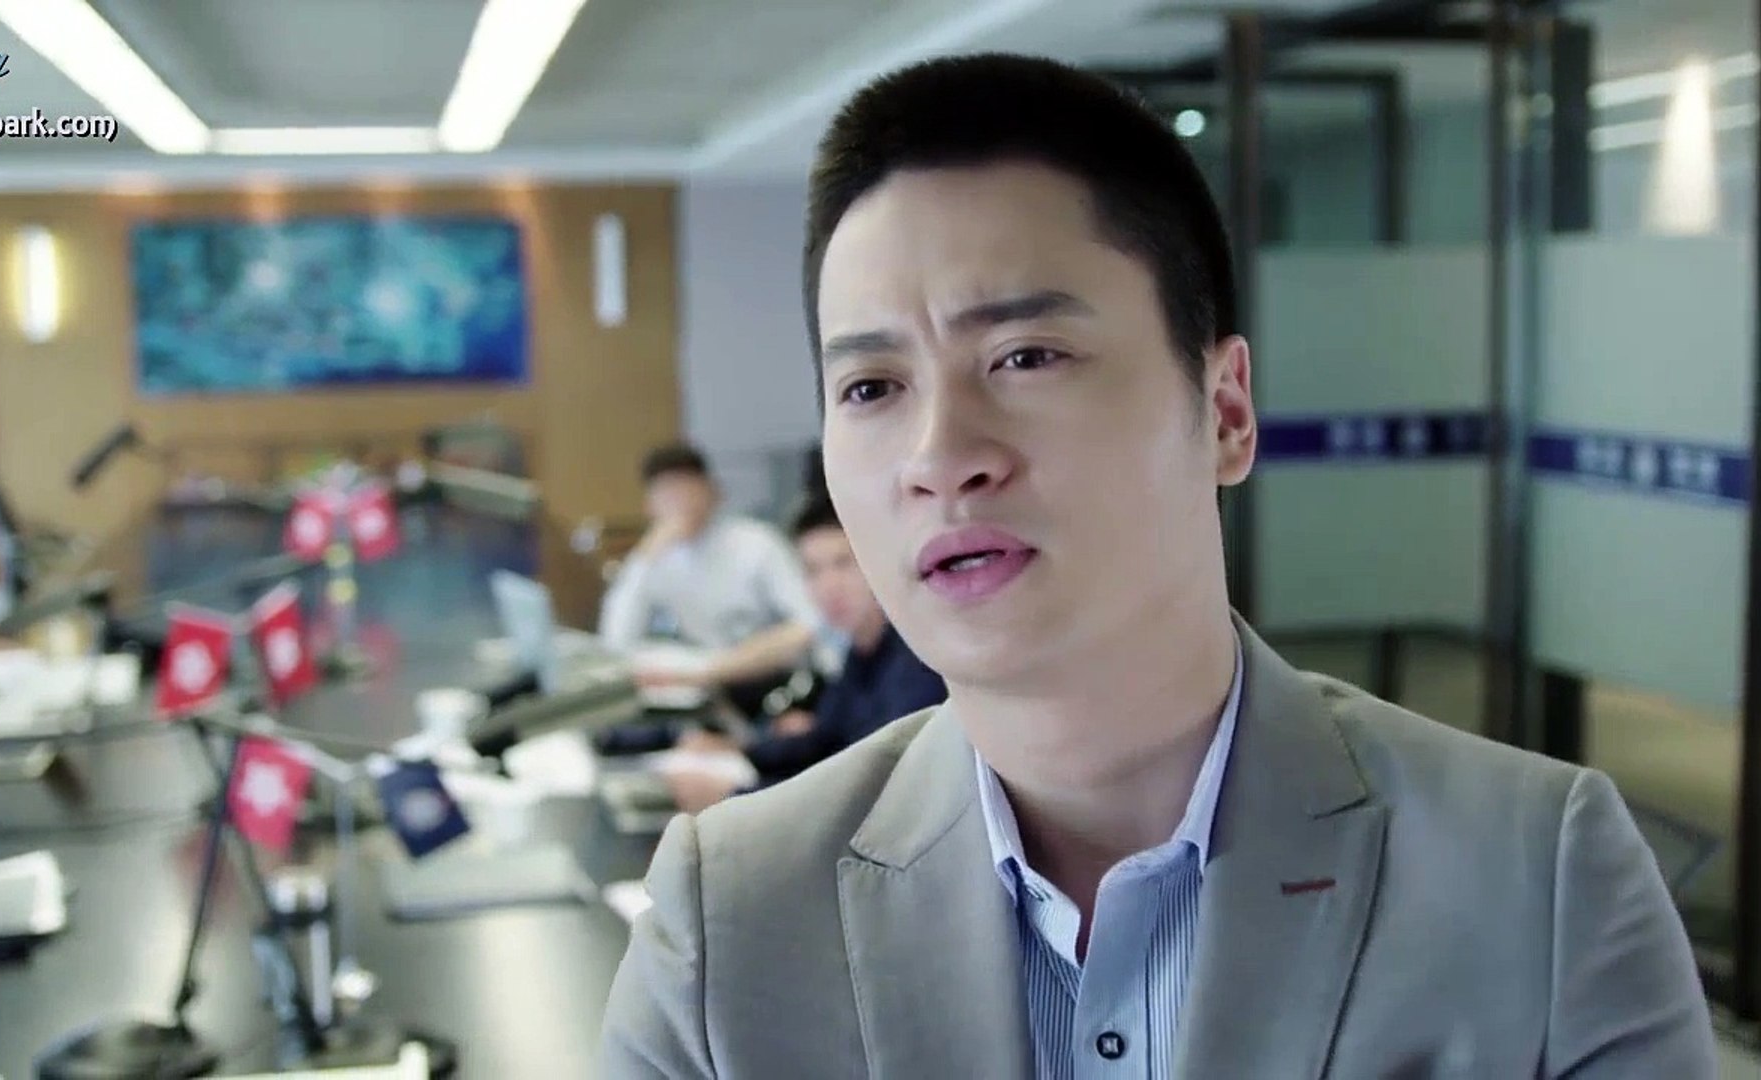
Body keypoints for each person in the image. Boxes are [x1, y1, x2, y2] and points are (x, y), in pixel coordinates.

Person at [601, 53, 1713, 1078]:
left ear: (1224, 411)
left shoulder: (1537, 881)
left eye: (1026, 356)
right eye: (872, 388)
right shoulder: (729, 926)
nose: (940, 458)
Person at [661, 494, 947, 812]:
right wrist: (740, 749)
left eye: (843, 563)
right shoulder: (860, 652)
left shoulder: (916, 663)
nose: (829, 585)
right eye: (812, 571)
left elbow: (867, 793)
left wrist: (738, 795)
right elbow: (825, 741)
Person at [598, 442, 822, 716]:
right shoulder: (660, 556)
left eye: (686, 488)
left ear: (712, 490)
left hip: (770, 682)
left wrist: (717, 669)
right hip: (705, 688)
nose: (679, 502)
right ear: (650, 505)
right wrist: (643, 560)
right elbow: (616, 641)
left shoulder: (757, 543)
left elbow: (810, 624)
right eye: (667, 492)